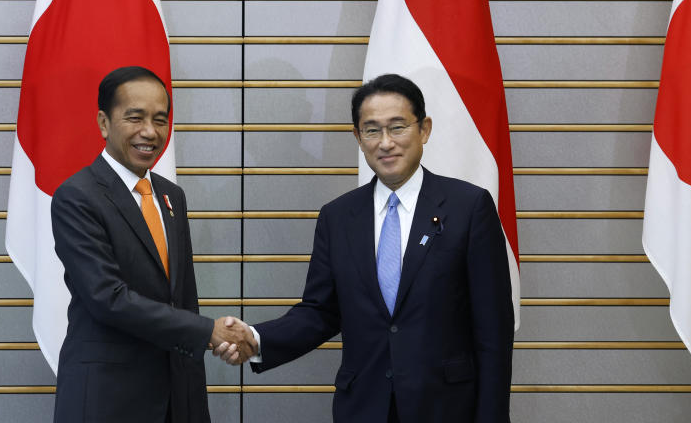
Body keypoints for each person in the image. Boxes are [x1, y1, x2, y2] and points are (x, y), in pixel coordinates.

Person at [214, 73, 514, 422]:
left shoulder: (468, 207)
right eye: (372, 130)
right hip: (363, 407)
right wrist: (255, 338)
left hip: (446, 407)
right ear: (358, 137)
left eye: (397, 127)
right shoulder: (338, 217)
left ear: (424, 129)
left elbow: (493, 330)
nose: (385, 142)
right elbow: (320, 312)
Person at [50, 65, 252, 423]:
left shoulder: (171, 196)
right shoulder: (76, 197)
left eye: (160, 120)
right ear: (103, 122)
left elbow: (183, 298)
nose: (150, 132)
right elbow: (107, 298)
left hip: (177, 396)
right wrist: (209, 331)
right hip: (108, 399)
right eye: (135, 118)